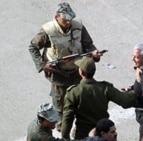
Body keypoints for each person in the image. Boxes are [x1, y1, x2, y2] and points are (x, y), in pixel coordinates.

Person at [28, 2, 103, 131]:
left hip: (77, 72)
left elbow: (88, 45)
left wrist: (95, 54)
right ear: (57, 17)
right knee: (60, 107)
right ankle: (61, 130)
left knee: (80, 103)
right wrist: (42, 65)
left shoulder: (78, 27)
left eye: (70, 19)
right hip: (58, 74)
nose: (68, 22)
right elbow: (33, 47)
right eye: (65, 19)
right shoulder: (48, 32)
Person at [61, 56, 138, 140]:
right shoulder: (105, 88)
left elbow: (67, 118)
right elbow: (126, 101)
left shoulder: (73, 92)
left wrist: (65, 137)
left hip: (83, 135)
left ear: (81, 72)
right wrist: (135, 90)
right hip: (103, 135)